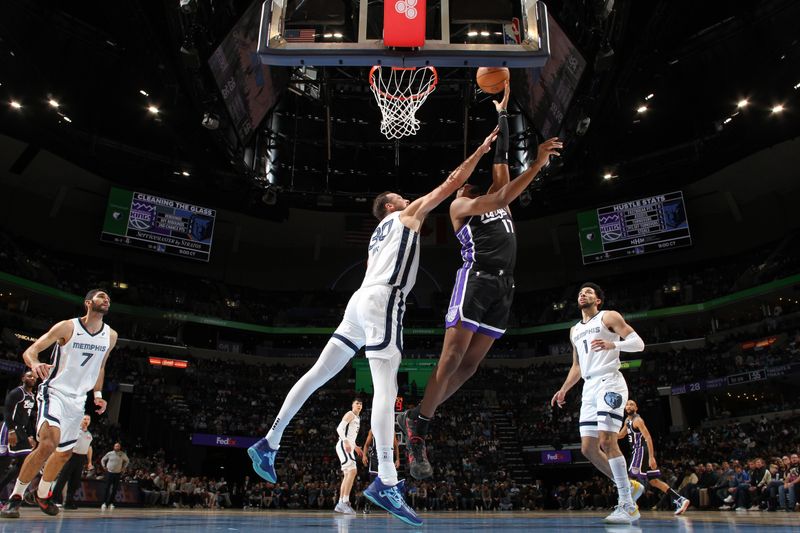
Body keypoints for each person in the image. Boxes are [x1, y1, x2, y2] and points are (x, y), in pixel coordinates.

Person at [248, 126, 501, 527]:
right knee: (386, 389)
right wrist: (482, 150)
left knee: (317, 374)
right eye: (399, 197)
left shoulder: (374, 237)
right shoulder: (405, 214)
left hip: (359, 301)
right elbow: (452, 182)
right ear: (390, 206)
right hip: (384, 300)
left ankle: (270, 441)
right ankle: (386, 479)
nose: (406, 197)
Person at [398, 83, 563, 479]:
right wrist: (538, 164)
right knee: (452, 358)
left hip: (504, 287)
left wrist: (503, 114)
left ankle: (419, 418)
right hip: (474, 279)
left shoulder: (496, 191)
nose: (486, 177)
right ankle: (421, 426)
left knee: (470, 368)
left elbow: (502, 158)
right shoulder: (461, 205)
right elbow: (502, 197)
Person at [1, 289, 115, 518]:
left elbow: (100, 366)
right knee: (48, 444)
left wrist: (98, 394)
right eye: (101, 296)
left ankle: (43, 494)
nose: (106, 300)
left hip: (79, 399)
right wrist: (34, 364)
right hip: (54, 392)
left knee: (64, 453)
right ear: (88, 303)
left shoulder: (111, 335)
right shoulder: (68, 327)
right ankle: (15, 498)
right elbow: (31, 351)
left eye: (108, 298)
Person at [550, 283, 646, 524]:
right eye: (581, 292)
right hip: (589, 387)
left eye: (589, 292)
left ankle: (628, 505)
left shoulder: (608, 316)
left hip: (609, 382)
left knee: (607, 440)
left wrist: (614, 344)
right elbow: (577, 366)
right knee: (588, 449)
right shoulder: (574, 330)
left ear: (598, 300)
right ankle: (629, 485)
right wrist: (564, 389)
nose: (583, 294)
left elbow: (638, 344)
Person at [618, 400, 690, 515]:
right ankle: (681, 500)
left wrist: (651, 457)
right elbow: (621, 435)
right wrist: (606, 435)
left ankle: (628, 506)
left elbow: (648, 438)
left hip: (640, 451)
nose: (628, 406)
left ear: (636, 408)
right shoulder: (627, 421)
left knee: (631, 477)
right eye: (627, 404)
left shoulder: (638, 420)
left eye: (631, 404)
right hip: (638, 452)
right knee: (654, 481)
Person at [0, 371, 38, 492]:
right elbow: (7, 412)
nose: (32, 378)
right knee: (3, 464)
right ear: (23, 378)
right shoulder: (16, 392)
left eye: (34, 377)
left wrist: (31, 435)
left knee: (25, 463)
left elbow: (28, 418)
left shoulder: (32, 396)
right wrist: (11, 431)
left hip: (21, 430)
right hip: (10, 429)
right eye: (29, 376)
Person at [51, 415, 93, 509]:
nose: (86, 421)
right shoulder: (75, 431)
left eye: (88, 419)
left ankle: (69, 502)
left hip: (81, 458)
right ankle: (54, 500)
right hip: (71, 456)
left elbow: (89, 448)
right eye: (85, 419)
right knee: (63, 478)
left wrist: (89, 461)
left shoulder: (89, 435)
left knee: (75, 481)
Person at [361, 427, 400, 514]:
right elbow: (367, 444)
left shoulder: (391, 429)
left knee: (389, 483)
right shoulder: (373, 429)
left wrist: (397, 459)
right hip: (375, 459)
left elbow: (395, 445)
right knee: (373, 484)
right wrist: (364, 455)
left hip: (387, 459)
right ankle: (367, 505)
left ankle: (391, 506)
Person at [334, 398, 363, 515]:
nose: (359, 405)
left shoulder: (358, 418)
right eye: (357, 403)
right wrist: (345, 442)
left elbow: (351, 436)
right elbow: (339, 429)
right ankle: (345, 501)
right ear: (352, 405)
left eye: (361, 404)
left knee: (348, 474)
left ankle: (341, 502)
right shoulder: (350, 414)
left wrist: (355, 446)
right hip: (343, 444)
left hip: (349, 446)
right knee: (352, 471)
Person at [100, 442, 129, 510]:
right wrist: (104, 466)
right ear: (114, 447)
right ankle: (104, 503)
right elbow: (102, 460)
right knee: (107, 488)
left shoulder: (122, 454)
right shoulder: (110, 453)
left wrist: (124, 467)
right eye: (116, 446)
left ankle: (111, 503)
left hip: (117, 473)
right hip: (109, 472)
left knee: (115, 489)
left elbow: (127, 461)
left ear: (120, 447)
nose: (117, 447)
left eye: (118, 446)